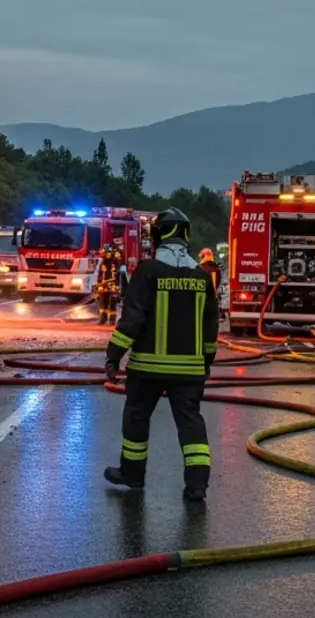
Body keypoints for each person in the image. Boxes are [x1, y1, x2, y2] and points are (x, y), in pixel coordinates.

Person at [104, 208, 219, 502]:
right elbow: (210, 326)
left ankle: (132, 475)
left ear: (158, 235)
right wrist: (206, 362)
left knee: (137, 417)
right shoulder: (201, 276)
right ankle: (197, 485)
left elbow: (132, 320)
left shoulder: (147, 272)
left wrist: (114, 355)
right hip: (190, 371)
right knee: (191, 423)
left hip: (147, 369)